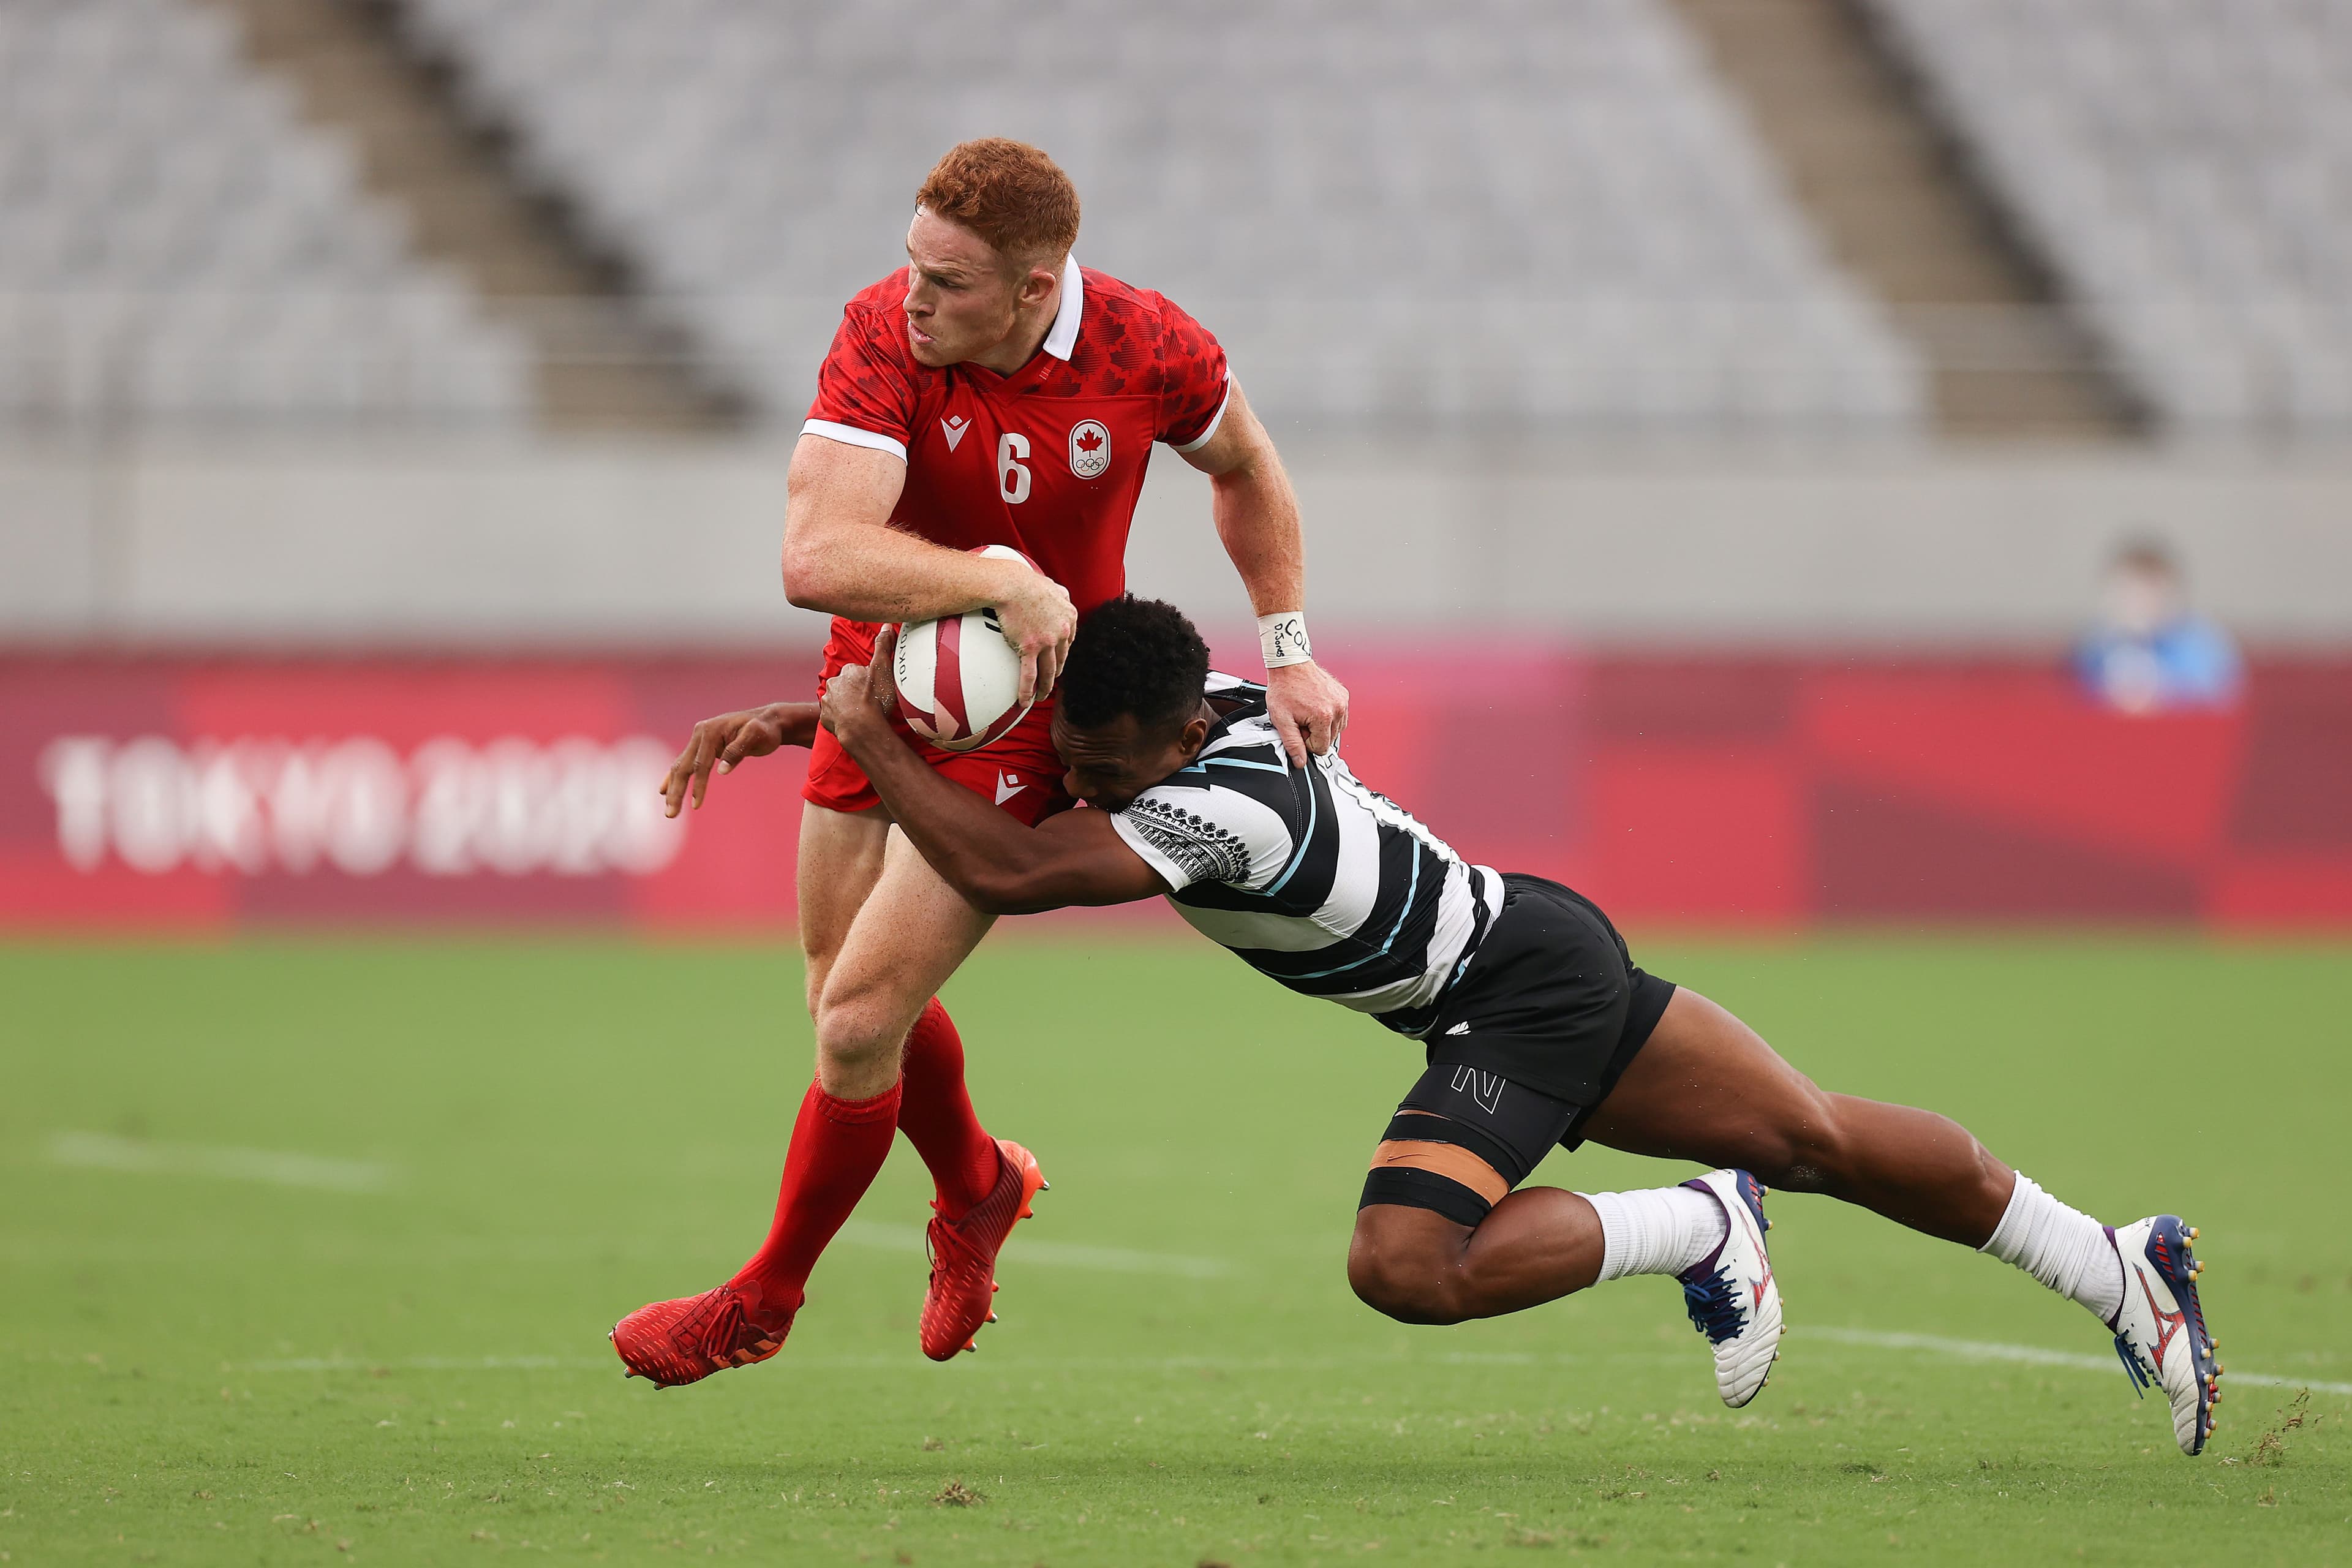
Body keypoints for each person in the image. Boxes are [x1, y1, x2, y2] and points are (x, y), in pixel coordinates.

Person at [722, 595, 2218, 1456]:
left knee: (1403, 1264)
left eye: (1112, 767)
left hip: (1503, 993)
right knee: (1815, 1132)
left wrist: (862, 734)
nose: (1092, 783)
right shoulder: (1189, 705)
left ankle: (1696, 1228)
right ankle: (2114, 1260)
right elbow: (1021, 770)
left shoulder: (1215, 800)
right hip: (1529, 944)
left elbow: (1005, 864)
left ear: (1179, 737)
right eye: (1083, 762)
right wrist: (823, 725)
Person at [610, 139, 1349, 1387]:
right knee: (840, 998)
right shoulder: (881, 335)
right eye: (911, 264)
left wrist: (1289, 648)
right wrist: (998, 577)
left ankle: (763, 1296)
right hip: (886, 674)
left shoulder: (1144, 345)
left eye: (948, 282)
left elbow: (1247, 465)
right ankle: (978, 1179)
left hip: (1040, 706)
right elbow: (815, 556)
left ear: (1036, 287)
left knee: (855, 1022)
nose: (913, 297)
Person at [2073, 538, 2243, 714]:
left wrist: (2162, 690)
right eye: (2128, 597)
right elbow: (2082, 694)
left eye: (2148, 596)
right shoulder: (2098, 644)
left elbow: (2221, 694)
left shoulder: (2202, 643)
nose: (2139, 607)